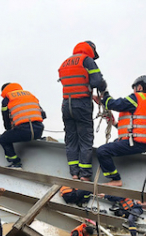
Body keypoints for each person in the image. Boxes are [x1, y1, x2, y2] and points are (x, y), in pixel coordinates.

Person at [58, 41, 108, 181]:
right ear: (91, 50)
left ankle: (74, 174)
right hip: (82, 104)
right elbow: (97, 81)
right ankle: (85, 175)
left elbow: (72, 84)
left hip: (66, 104)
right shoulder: (87, 60)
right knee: (85, 139)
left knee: (71, 140)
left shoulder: (65, 63)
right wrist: (102, 88)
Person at [96, 75, 146, 186]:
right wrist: (113, 123)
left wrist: (105, 95)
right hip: (140, 142)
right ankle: (115, 178)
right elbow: (136, 127)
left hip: (135, 143)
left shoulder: (136, 98)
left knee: (102, 151)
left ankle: (116, 179)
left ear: (140, 87)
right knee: (114, 143)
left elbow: (113, 104)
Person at [0, 82, 46, 169]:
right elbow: (43, 115)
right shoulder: (30, 95)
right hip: (39, 130)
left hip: (23, 131)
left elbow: (6, 119)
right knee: (30, 132)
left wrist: (9, 130)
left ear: (4, 91)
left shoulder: (7, 99)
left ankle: (15, 163)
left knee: (3, 139)